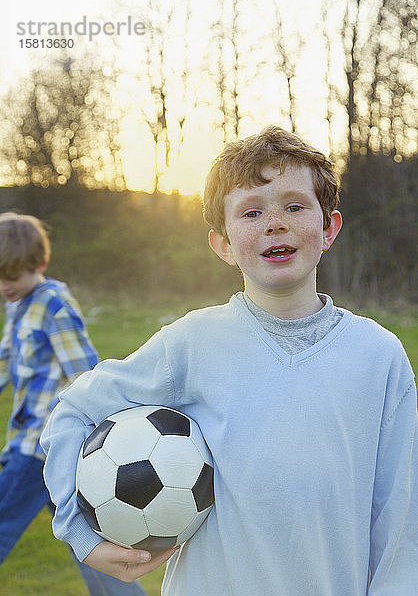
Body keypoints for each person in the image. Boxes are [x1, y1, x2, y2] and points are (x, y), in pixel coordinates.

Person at [41, 126, 417, 595]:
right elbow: (72, 412)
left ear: (329, 229)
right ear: (222, 244)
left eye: (294, 206)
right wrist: (80, 534)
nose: (274, 223)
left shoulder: (378, 356)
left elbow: (402, 522)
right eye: (251, 212)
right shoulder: (193, 343)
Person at [0, 212, 148, 596]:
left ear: (40, 264)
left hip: (42, 447)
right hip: (24, 440)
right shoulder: (18, 304)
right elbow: (6, 361)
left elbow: (86, 375)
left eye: (12, 277)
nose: (4, 286)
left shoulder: (54, 305)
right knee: (84, 541)